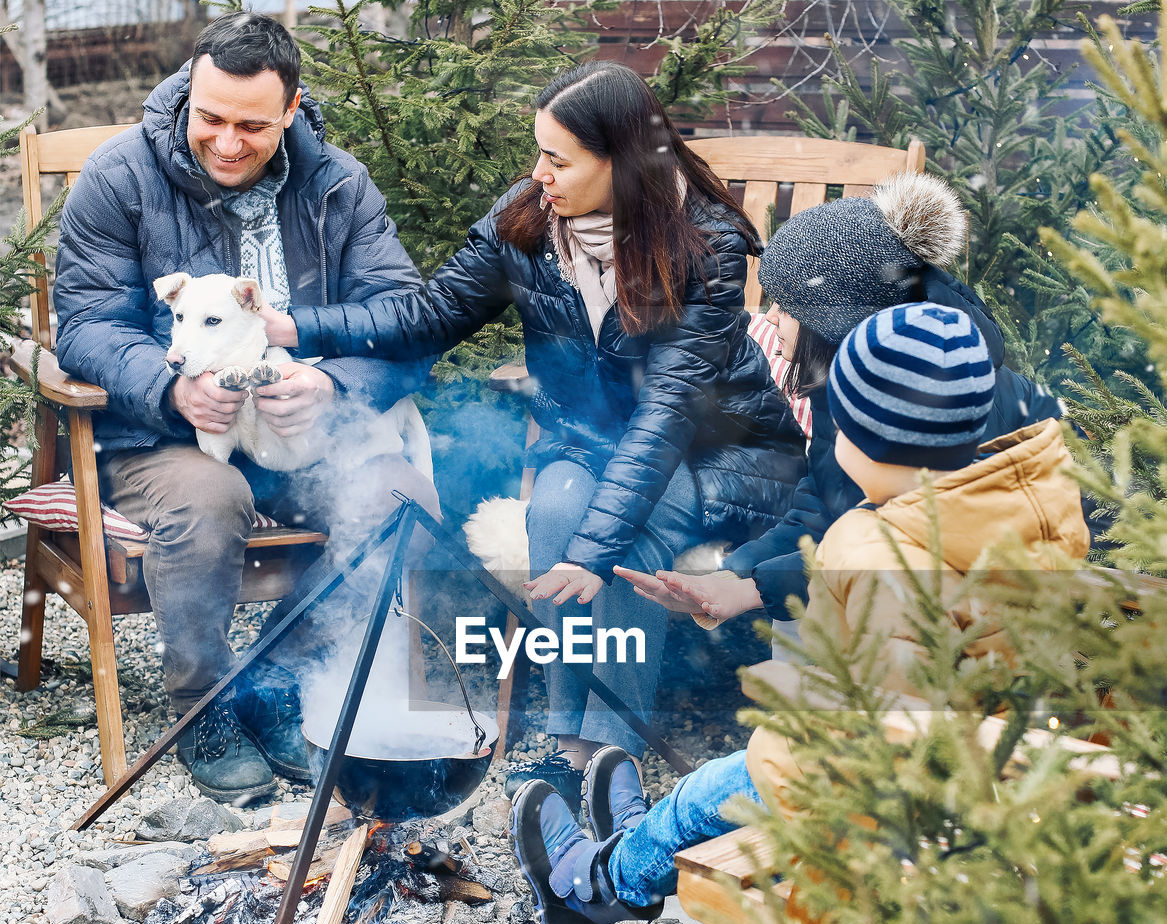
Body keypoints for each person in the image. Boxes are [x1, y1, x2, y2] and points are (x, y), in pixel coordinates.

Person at [262, 60, 807, 811]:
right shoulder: (527, 220)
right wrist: (293, 327)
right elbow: (428, 316)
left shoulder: (703, 248)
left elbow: (666, 415)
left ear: (620, 163)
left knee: (614, 541)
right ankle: (574, 747)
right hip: (588, 442)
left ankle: (607, 756)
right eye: (538, 153)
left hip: (715, 454)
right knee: (555, 510)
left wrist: (592, 553)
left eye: (557, 158)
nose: (537, 173)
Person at [509, 303, 1091, 924]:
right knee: (720, 784)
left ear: (873, 442)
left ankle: (596, 883)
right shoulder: (1016, 493)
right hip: (991, 760)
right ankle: (628, 842)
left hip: (874, 802)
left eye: (842, 428)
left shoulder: (873, 549)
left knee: (701, 798)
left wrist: (786, 707)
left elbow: (877, 731)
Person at [53, 12, 438, 803]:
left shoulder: (337, 184)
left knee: (400, 498)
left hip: (302, 436)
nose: (227, 142)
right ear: (189, 94)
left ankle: (274, 682)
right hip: (169, 436)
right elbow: (85, 324)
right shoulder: (119, 176)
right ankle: (202, 709)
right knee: (209, 496)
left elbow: (407, 318)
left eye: (253, 126)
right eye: (211, 118)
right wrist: (171, 388)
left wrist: (333, 386)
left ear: (292, 111)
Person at [615, 171, 1069, 629]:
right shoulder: (851, 379)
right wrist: (733, 575)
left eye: (787, 308)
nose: (770, 320)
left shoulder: (937, 400)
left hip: (989, 603)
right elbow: (825, 505)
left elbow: (890, 546)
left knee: (810, 618)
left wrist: (755, 589)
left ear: (836, 322)